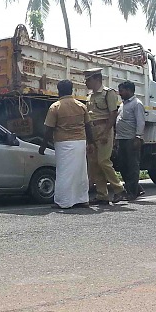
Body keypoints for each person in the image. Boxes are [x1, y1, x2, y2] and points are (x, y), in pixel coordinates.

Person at [39, 79, 94, 209]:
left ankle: (63, 202)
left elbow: (48, 129)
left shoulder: (55, 107)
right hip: (80, 142)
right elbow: (88, 126)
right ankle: (82, 199)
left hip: (63, 143)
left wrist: (43, 146)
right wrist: (91, 143)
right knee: (80, 171)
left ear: (59, 91)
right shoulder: (81, 106)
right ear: (72, 90)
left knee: (64, 172)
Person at [84, 68, 127, 204]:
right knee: (94, 164)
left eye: (88, 79)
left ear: (97, 79)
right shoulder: (89, 96)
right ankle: (102, 194)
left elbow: (112, 114)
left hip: (104, 128)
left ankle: (119, 189)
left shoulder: (108, 93)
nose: (86, 82)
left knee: (103, 161)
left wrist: (106, 132)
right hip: (92, 129)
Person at [115, 81, 146, 200]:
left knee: (132, 166)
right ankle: (137, 188)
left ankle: (132, 193)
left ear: (129, 90)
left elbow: (140, 122)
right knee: (122, 165)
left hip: (131, 139)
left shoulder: (137, 104)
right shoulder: (123, 104)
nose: (120, 93)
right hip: (121, 139)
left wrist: (138, 137)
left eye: (121, 90)